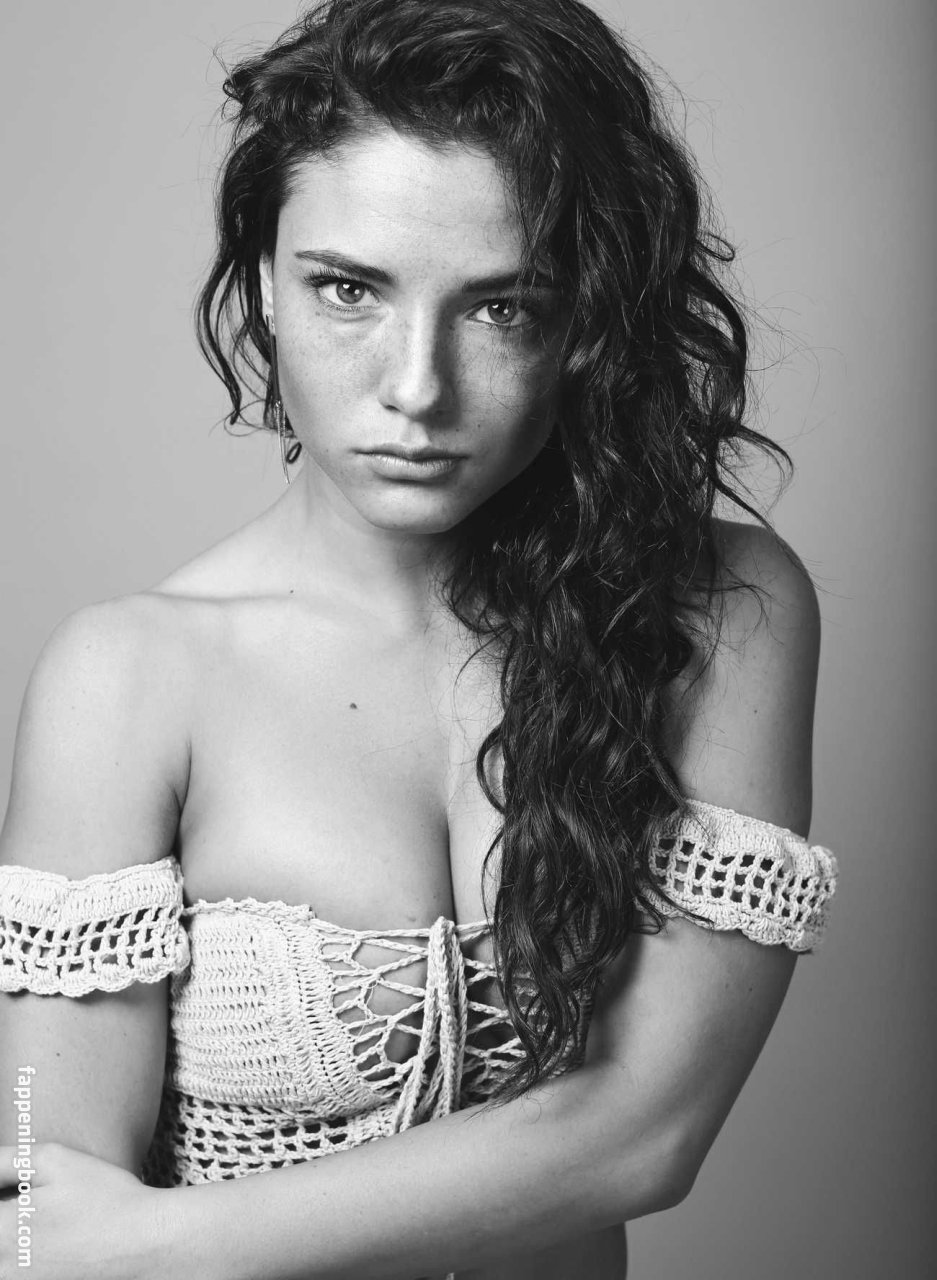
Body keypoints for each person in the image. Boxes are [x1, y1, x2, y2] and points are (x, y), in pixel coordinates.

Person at [0, 0, 837, 1276]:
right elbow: (51, 1222)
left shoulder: (716, 608)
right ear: (262, 281)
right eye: (348, 289)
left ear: (585, 320)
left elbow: (648, 1131)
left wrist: (176, 1241)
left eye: (501, 307)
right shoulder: (128, 676)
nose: (415, 387)